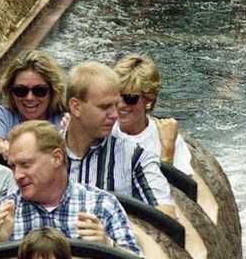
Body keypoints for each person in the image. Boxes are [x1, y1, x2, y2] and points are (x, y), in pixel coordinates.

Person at [0, 121, 142, 256]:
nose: (17, 175)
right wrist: (0, 244)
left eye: (26, 165)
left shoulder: (101, 205)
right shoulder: (2, 212)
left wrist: (108, 246)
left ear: (57, 158)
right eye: (12, 167)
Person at [63, 62, 176, 217]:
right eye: (104, 107)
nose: (115, 114)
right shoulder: (42, 150)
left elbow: (167, 215)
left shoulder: (136, 157)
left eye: (115, 105)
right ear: (75, 107)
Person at [113, 54, 193, 176]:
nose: (120, 105)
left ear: (149, 100)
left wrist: (167, 152)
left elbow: (180, 191)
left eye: (129, 98)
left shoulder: (166, 139)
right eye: (115, 96)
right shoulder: (102, 131)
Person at [0, 50, 66, 158]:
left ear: (53, 91)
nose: (29, 98)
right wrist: (1, 147)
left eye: (39, 91)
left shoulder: (65, 118)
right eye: (21, 91)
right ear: (10, 92)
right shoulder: (1, 115)